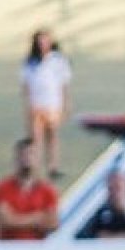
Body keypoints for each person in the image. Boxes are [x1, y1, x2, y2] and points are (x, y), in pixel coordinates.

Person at [19, 29, 71, 181]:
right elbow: (26, 85)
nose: (43, 44)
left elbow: (64, 83)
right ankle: (35, 169)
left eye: (45, 40)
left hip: (53, 104)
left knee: (52, 136)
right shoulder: (30, 62)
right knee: (36, 139)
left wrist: (65, 103)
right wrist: (28, 105)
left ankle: (53, 166)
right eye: (40, 41)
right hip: (37, 104)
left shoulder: (58, 60)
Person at [0, 137, 58, 240]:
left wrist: (17, 219)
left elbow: (52, 223)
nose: (27, 159)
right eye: (23, 155)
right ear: (16, 159)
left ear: (37, 159)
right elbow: (6, 221)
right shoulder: (3, 188)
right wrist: (37, 218)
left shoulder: (47, 191)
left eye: (31, 154)